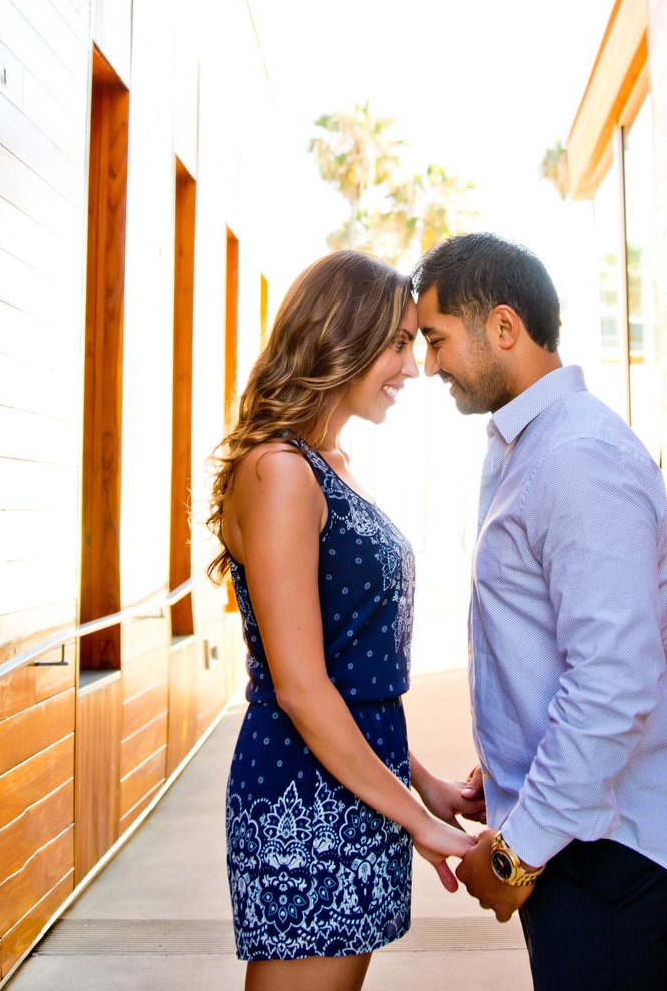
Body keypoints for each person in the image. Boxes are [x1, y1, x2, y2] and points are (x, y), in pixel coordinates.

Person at [412, 232, 667, 991]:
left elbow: (613, 680)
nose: (428, 365)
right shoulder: (532, 444)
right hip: (576, 836)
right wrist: (510, 764)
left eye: (437, 340)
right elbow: (555, 644)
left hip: (609, 855)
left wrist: (517, 853)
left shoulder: (576, 458)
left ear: (503, 329)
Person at [210, 250, 478, 991]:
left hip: (358, 782)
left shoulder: (326, 460)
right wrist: (416, 817)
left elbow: (351, 670)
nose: (413, 367)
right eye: (396, 344)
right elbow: (300, 687)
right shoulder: (279, 472)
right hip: (305, 792)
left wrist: (421, 784)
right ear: (341, 338)